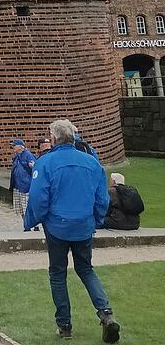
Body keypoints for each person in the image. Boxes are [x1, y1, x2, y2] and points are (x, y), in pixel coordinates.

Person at [25, 119, 120, 343]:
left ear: (54, 138)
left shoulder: (45, 162)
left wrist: (34, 219)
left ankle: (65, 325)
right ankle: (105, 313)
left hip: (57, 224)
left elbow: (38, 197)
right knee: (86, 269)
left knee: (58, 273)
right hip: (83, 225)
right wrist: (95, 220)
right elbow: (102, 198)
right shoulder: (91, 163)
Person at [10, 139, 37, 227]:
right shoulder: (16, 156)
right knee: (20, 209)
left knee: (27, 208)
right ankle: (26, 224)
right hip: (17, 185)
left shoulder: (28, 155)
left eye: (14, 145)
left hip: (26, 186)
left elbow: (34, 169)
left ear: (21, 146)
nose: (12, 147)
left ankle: (32, 225)